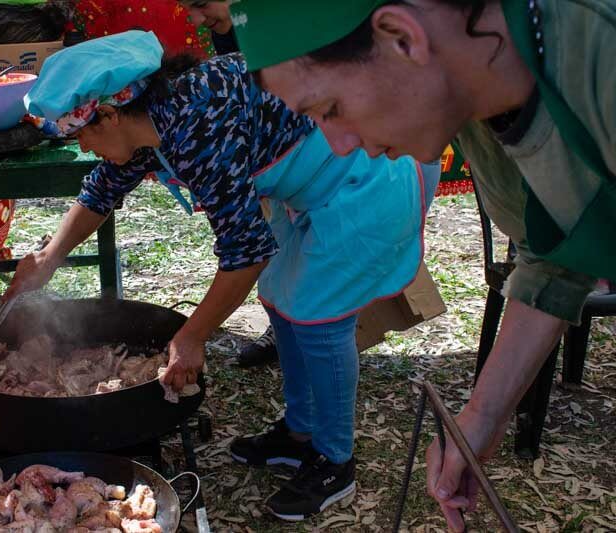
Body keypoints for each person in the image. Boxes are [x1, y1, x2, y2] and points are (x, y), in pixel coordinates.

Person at [9, 30, 438, 520]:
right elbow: (102, 190)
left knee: (319, 318)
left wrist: (192, 337)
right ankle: (299, 433)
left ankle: (335, 460)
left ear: (108, 114)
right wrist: (48, 259)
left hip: (365, 172)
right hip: (314, 187)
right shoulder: (150, 118)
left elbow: (246, 253)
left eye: (80, 134)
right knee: (283, 301)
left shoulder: (195, 129)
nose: (83, 147)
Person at [227, 0, 615, 530]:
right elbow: (551, 257)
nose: (338, 148)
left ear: (402, 38)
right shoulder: (477, 105)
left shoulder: (601, 53)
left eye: (330, 109)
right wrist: (478, 419)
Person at [178, 0, 278, 367]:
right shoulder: (233, 23)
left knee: (314, 305)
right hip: (278, 165)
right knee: (285, 269)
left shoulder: (287, 19)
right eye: (187, 8)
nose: (195, 20)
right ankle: (281, 328)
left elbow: (246, 251)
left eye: (200, 4)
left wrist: (191, 336)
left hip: (329, 165)